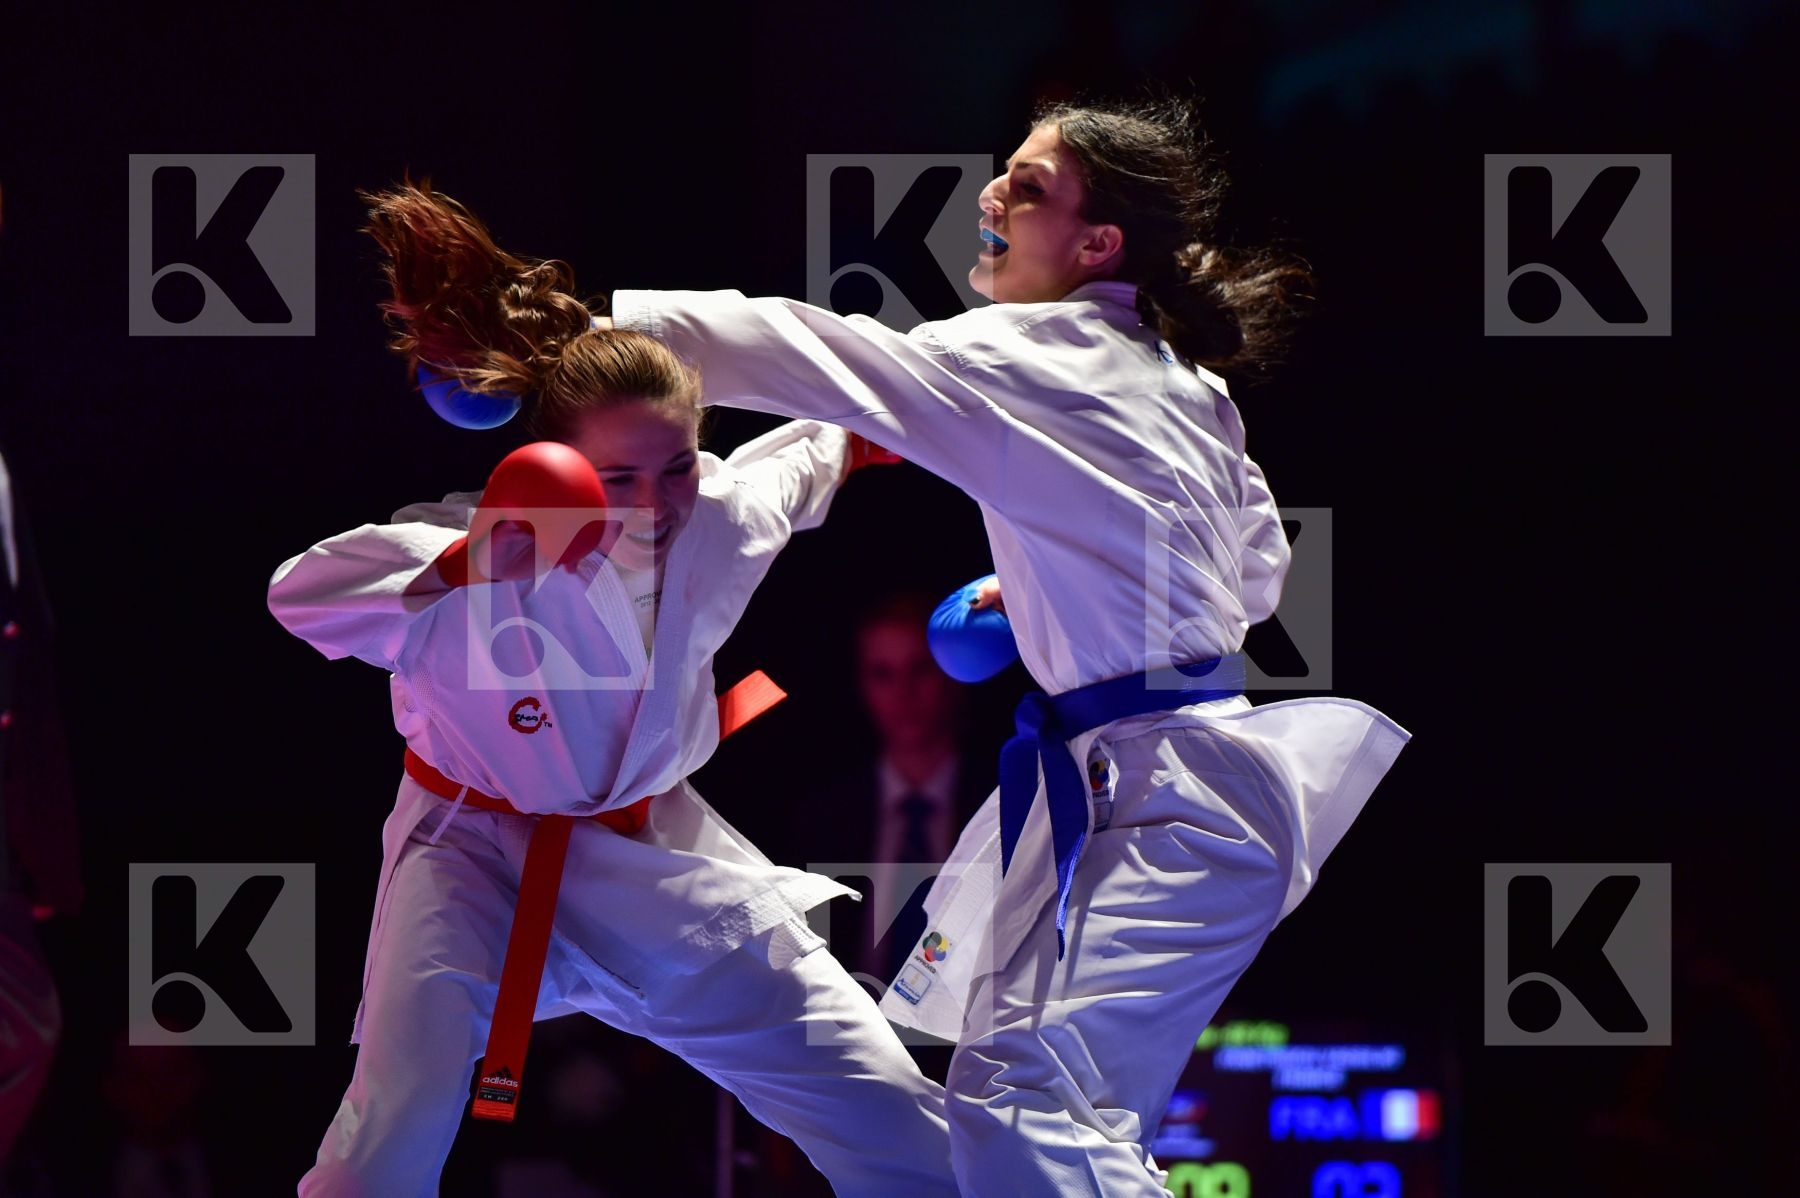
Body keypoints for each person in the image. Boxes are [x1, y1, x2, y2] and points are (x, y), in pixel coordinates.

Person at [599, 96, 1412, 1195]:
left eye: (1028, 186)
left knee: (1027, 1108)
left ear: (1096, 243)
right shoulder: (1189, 383)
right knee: (1005, 1107)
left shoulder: (1036, 350)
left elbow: (818, 353)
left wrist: (591, 331)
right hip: (1167, 784)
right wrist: (1044, 578)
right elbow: (1257, 574)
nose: (992, 193)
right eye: (1005, 173)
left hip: (1170, 797)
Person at [268, 181, 956, 1197]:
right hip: (468, 857)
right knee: (387, 1139)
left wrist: (937, 418)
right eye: (620, 479)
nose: (659, 502)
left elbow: (825, 442)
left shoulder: (721, 511)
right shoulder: (474, 557)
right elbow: (298, 597)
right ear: (555, 467)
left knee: (883, 1105)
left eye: (676, 465)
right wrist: (471, 565)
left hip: (653, 856)